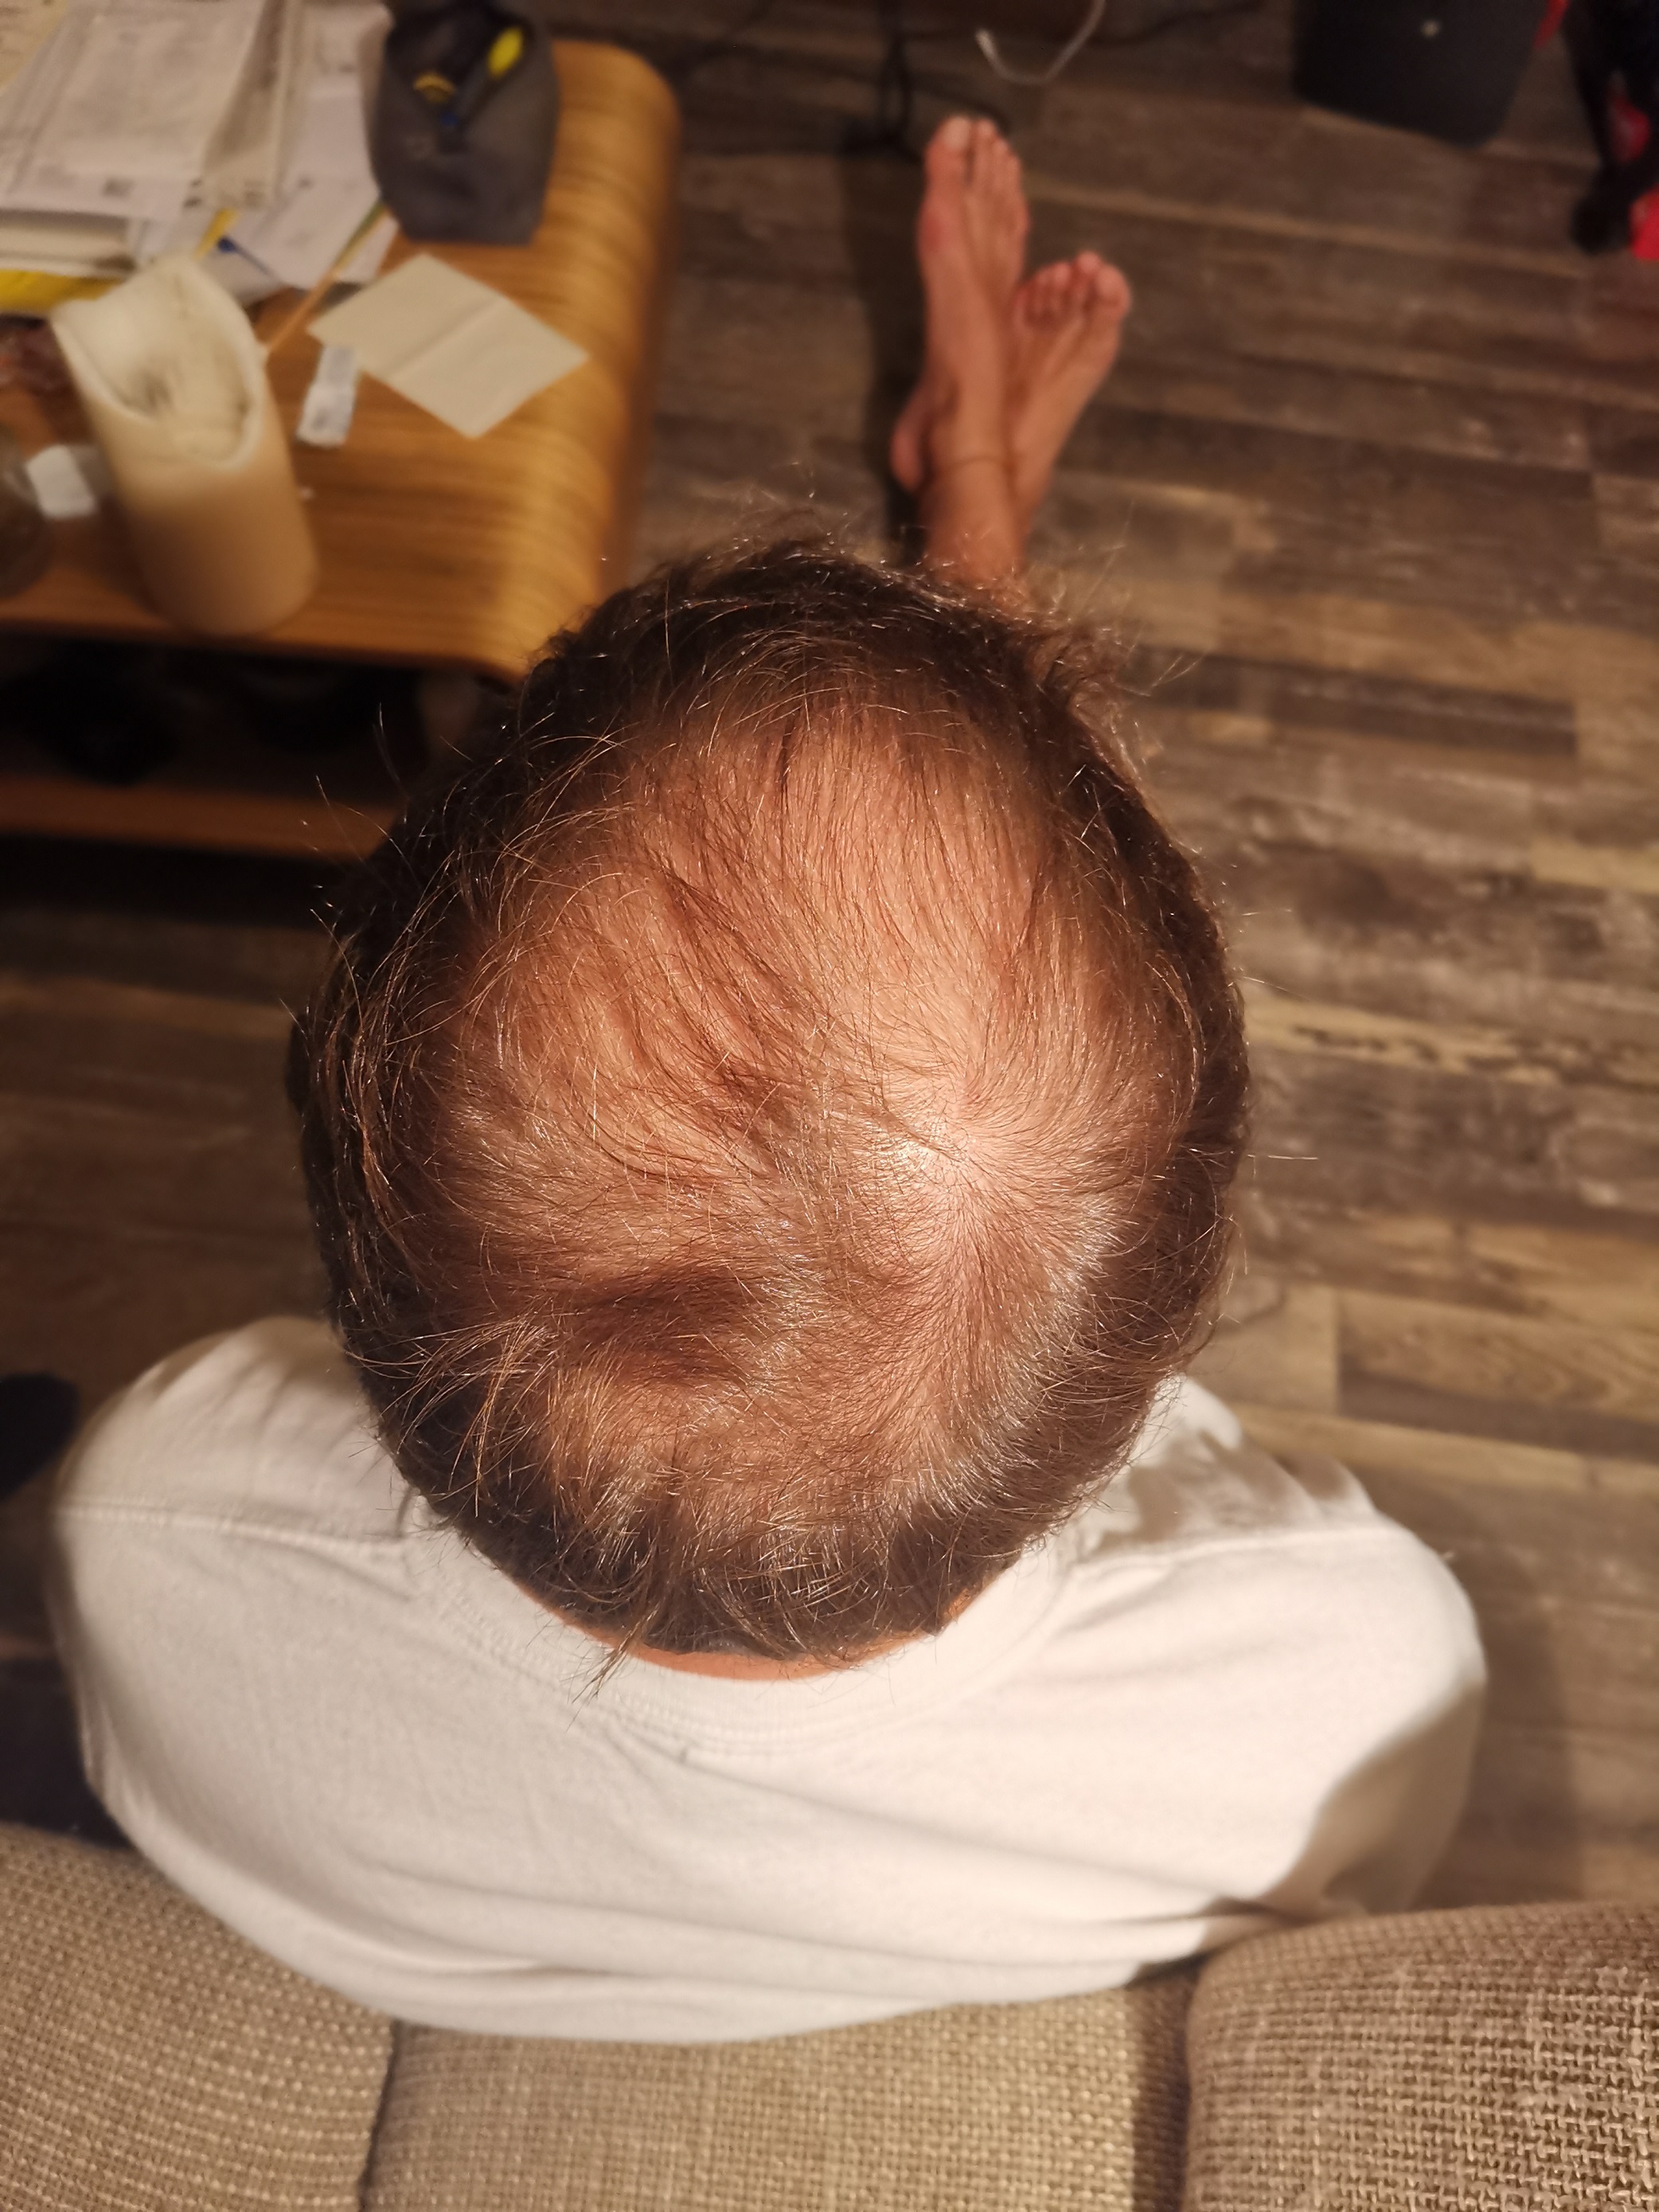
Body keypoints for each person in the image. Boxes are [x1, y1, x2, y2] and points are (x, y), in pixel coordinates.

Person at [46, 118, 1483, 2042]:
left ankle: (974, 501)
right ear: (1163, 1319)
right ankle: (975, 499)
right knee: (1002, 959)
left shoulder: (154, 1521)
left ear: (344, 1186)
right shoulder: (1348, 1683)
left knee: (985, 941)